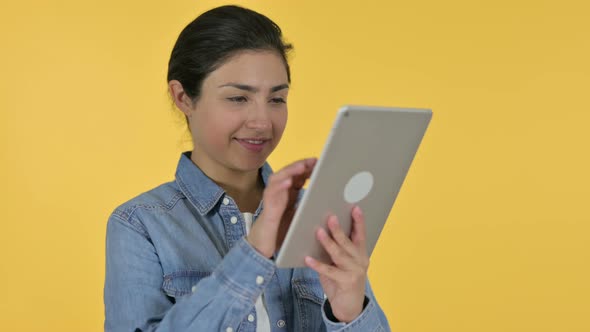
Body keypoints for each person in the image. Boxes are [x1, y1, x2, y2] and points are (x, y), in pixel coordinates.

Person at [104, 5, 390, 332]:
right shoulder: (140, 225)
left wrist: (351, 312)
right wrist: (254, 252)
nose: (262, 121)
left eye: (277, 99)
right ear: (183, 97)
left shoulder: (317, 215)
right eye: (239, 98)